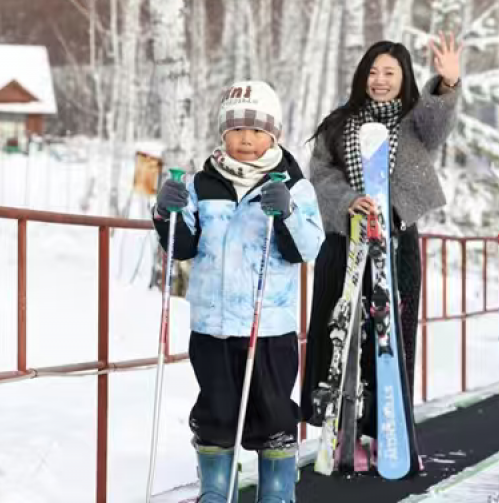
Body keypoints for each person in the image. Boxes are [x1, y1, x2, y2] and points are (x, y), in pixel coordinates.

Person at [153, 80, 324, 502]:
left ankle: (277, 491)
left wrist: (286, 212)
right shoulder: (202, 184)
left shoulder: (293, 186)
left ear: (274, 134)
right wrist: (165, 211)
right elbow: (182, 246)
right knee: (215, 412)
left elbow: (307, 248)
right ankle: (216, 489)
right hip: (212, 326)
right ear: (223, 133)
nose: (246, 138)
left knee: (273, 414)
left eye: (257, 129)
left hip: (268, 329)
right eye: (236, 129)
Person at [301, 37, 461, 460]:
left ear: (404, 77)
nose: (380, 80)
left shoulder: (415, 122)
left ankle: (385, 428)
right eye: (373, 72)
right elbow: (321, 173)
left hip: (397, 241)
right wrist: (347, 201)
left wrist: (447, 83)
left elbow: (438, 124)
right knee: (342, 334)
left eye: (390, 72)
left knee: (391, 336)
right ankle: (344, 428)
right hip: (345, 242)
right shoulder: (339, 123)